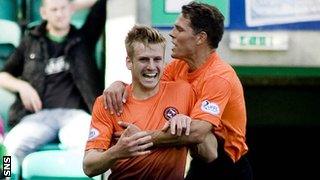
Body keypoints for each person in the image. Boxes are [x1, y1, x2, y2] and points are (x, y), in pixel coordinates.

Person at [103, 2, 252, 180]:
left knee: (201, 135)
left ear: (200, 38)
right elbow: (146, 90)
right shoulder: (177, 67)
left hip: (227, 168)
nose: (172, 34)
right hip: (199, 161)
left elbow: (197, 133)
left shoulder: (219, 76)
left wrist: (140, 139)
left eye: (179, 29)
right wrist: (119, 85)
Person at [83, 25, 218, 179]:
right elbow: (89, 166)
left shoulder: (185, 92)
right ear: (129, 62)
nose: (151, 67)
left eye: (157, 59)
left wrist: (189, 124)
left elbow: (211, 153)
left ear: (164, 62)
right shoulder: (109, 103)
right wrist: (117, 152)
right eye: (143, 59)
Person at [0, 0, 106, 163]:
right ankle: (6, 176)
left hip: (75, 115)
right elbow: (3, 75)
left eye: (63, 8)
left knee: (89, 147)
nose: (59, 13)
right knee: (9, 150)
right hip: (37, 117)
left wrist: (73, 5)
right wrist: (22, 86)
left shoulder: (84, 38)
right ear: (44, 13)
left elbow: (101, 4)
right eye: (54, 9)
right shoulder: (31, 41)